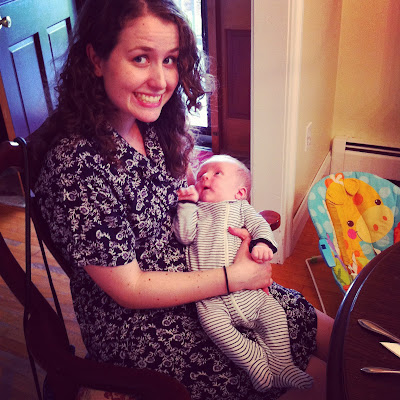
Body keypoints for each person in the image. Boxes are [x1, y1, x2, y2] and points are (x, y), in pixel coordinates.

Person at [27, 0, 333, 399]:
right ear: (96, 59)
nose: (160, 81)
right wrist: (233, 278)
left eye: (170, 60)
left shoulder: (151, 126)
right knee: (321, 381)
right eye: (140, 58)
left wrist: (235, 235)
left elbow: (185, 201)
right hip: (144, 323)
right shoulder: (75, 167)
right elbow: (129, 288)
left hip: (201, 270)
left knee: (330, 332)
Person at [173, 154, 314, 392]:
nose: (205, 177)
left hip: (250, 294)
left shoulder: (241, 208)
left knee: (275, 315)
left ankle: (282, 365)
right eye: (201, 175)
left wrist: (262, 244)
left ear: (240, 193)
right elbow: (184, 236)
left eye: (216, 173)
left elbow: (260, 226)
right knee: (215, 328)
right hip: (211, 298)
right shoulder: (196, 211)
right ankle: (253, 360)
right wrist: (186, 205)